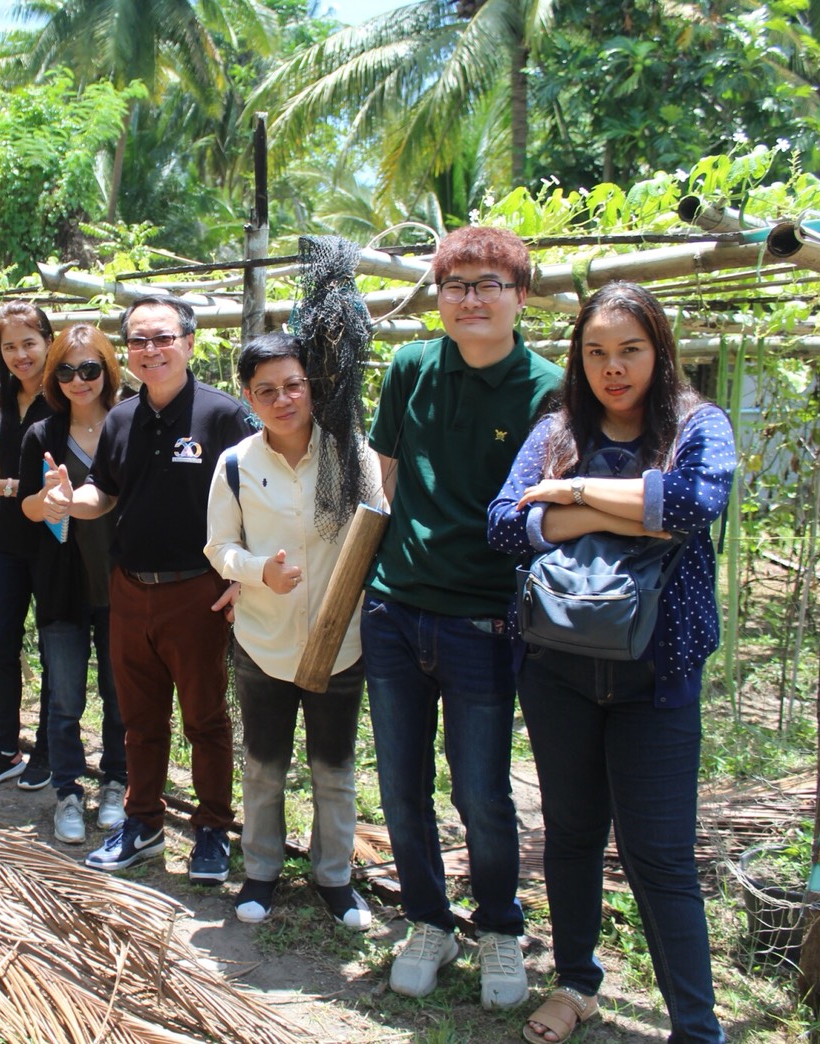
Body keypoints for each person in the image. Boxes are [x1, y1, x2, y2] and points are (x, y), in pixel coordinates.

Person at [488, 282, 734, 1044]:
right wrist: (625, 509)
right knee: (570, 833)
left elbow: (694, 505)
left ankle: (696, 1027)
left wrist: (574, 496)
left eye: (629, 349)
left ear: (659, 349)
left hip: (655, 673)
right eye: (596, 352)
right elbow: (502, 525)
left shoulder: (698, 424)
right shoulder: (558, 427)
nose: (612, 368)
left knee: (658, 855)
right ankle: (577, 984)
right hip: (557, 664)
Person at [360, 226, 561, 1007]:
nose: (470, 298)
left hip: (483, 618)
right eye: (455, 285)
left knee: (480, 790)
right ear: (438, 297)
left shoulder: (546, 386)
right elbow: (389, 476)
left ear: (520, 295)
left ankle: (500, 929)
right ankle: (429, 921)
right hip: (396, 610)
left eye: (489, 284)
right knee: (401, 786)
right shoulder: (411, 367)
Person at [43, 295, 252, 882]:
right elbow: (103, 494)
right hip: (129, 588)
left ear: (188, 342)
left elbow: (251, 501)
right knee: (139, 718)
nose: (150, 350)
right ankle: (144, 825)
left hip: (199, 590)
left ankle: (212, 829)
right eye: (139, 340)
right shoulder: (121, 418)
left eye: (162, 338)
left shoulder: (221, 416)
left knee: (206, 718)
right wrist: (69, 499)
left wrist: (241, 577)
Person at [204, 331, 381, 929]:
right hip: (263, 639)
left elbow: (374, 528)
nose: (284, 400)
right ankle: (260, 872)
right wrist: (258, 574)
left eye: (293, 386)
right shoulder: (235, 465)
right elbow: (218, 546)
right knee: (264, 763)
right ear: (248, 398)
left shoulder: (349, 453)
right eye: (267, 391)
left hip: (340, 641)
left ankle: (334, 878)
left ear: (311, 387)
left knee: (334, 767)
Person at [19, 324, 128, 843]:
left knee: (119, 694)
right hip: (62, 586)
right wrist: (50, 502)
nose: (78, 380)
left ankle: (115, 783)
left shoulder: (129, 424)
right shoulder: (42, 434)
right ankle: (67, 791)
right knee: (64, 697)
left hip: (123, 585)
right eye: (66, 370)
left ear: (107, 370)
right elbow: (26, 507)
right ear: (53, 377)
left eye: (89, 369)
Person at [0, 302, 58, 792]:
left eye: (29, 343)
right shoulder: (0, 404)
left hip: (54, 543)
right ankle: (5, 750)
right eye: (10, 346)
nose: (20, 354)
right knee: (1, 644)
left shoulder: (66, 395)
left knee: (51, 647)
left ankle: (46, 749)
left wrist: (2, 489)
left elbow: (62, 482)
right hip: (7, 545)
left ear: (47, 340)